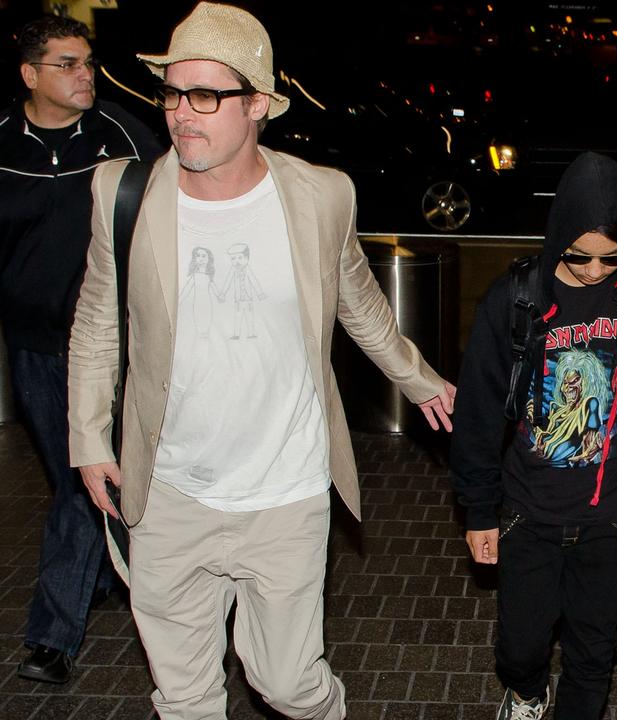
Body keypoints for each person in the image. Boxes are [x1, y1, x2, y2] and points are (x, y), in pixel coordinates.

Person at [65, 4, 455, 717]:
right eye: (172, 93)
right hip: (169, 494)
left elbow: (359, 302)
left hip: (285, 492)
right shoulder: (120, 195)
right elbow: (97, 323)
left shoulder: (320, 195)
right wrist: (89, 439)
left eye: (206, 95)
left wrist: (418, 377)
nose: (183, 114)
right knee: (184, 698)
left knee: (288, 684)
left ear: (257, 105)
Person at [448, 151, 617, 720]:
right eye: (578, 255)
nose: (592, 270)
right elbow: (481, 413)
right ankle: (528, 692)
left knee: (593, 651)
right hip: (528, 512)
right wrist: (478, 510)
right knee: (520, 647)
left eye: (611, 257)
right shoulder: (519, 299)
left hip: (616, 516)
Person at [0, 14, 162, 684]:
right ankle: (99, 570)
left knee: (83, 477)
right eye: (66, 63)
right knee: (81, 479)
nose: (84, 74)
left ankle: (52, 636)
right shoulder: (5, 144)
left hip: (114, 347)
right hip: (35, 347)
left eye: (88, 61)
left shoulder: (122, 135)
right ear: (30, 75)